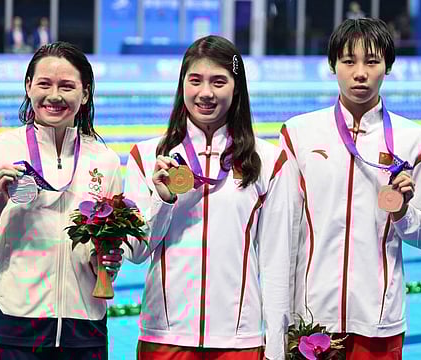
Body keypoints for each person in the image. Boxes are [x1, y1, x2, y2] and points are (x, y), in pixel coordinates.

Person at [124, 35, 294, 360]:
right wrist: (163, 200)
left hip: (238, 341)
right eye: (195, 80)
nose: (206, 93)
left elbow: (276, 262)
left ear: (236, 87)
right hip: (165, 336)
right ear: (182, 85)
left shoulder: (269, 161)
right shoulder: (146, 157)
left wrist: (275, 346)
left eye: (219, 81)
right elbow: (135, 251)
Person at [280, 18, 421, 359]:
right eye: (348, 61)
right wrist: (279, 317)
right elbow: (283, 232)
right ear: (332, 65)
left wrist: (402, 213)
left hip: (379, 319)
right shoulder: (298, 134)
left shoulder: (414, 140)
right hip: (311, 320)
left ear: (388, 66)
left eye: (372, 61)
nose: (360, 73)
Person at [0, 41, 124, 360]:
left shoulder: (105, 161)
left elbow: (110, 249)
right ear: (28, 87)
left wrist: (107, 261)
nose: (54, 96)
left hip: (86, 331)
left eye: (67, 86)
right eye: (44, 84)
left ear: (85, 93)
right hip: (16, 328)